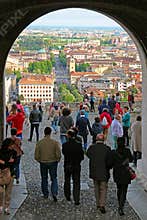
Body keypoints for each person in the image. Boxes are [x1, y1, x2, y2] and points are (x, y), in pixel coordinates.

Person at [107, 137, 133, 216]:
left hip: (117, 173)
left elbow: (110, 164)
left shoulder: (114, 152)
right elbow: (131, 159)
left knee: (119, 188)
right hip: (125, 173)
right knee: (124, 190)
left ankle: (120, 202)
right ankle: (121, 206)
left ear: (117, 143)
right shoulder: (127, 151)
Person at [34, 127, 61, 201]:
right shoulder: (55, 142)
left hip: (43, 162)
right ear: (50, 132)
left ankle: (45, 193)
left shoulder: (40, 143)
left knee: (44, 178)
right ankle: (54, 192)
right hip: (53, 162)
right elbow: (58, 154)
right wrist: (57, 160)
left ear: (44, 132)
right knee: (54, 178)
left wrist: (40, 160)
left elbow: (36, 155)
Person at [87, 134, 111, 214]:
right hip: (104, 171)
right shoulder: (107, 149)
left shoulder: (91, 148)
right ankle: (102, 204)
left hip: (94, 171)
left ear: (96, 139)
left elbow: (88, 155)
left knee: (96, 187)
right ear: (103, 140)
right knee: (103, 188)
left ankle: (98, 203)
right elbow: (109, 161)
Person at [62, 129, 84, 205]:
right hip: (76, 165)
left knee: (67, 180)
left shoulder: (65, 145)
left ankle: (67, 195)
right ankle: (76, 198)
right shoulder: (78, 145)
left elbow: (64, 153)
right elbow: (82, 156)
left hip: (67, 164)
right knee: (76, 182)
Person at [0, 138, 17, 215]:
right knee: (1, 192)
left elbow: (13, 163)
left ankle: (7, 208)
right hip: (1, 174)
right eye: (12, 145)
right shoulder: (1, 152)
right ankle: (0, 206)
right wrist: (7, 162)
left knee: (8, 192)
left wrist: (4, 162)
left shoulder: (14, 153)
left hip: (11, 173)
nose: (13, 146)